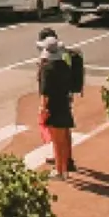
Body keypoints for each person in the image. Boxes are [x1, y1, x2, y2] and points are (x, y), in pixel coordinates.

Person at [37, 28, 76, 179]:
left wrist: (43, 108)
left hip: (54, 106)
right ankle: (66, 165)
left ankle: (60, 171)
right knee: (64, 136)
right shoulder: (64, 66)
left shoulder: (48, 69)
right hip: (64, 102)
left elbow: (45, 92)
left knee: (57, 142)